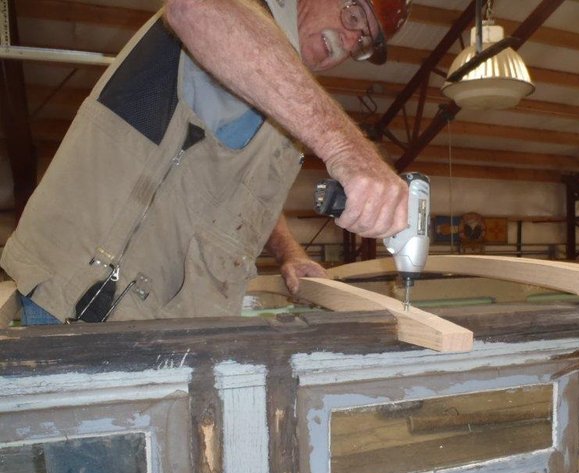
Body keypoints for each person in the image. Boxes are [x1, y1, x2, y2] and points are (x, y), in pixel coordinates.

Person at [1, 0, 412, 325]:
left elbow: (245, 197)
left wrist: (290, 252)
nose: (350, 38)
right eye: (353, 14)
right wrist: (349, 151)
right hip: (85, 305)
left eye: (363, 42)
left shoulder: (280, 92)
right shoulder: (239, 15)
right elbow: (193, 7)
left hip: (157, 319)